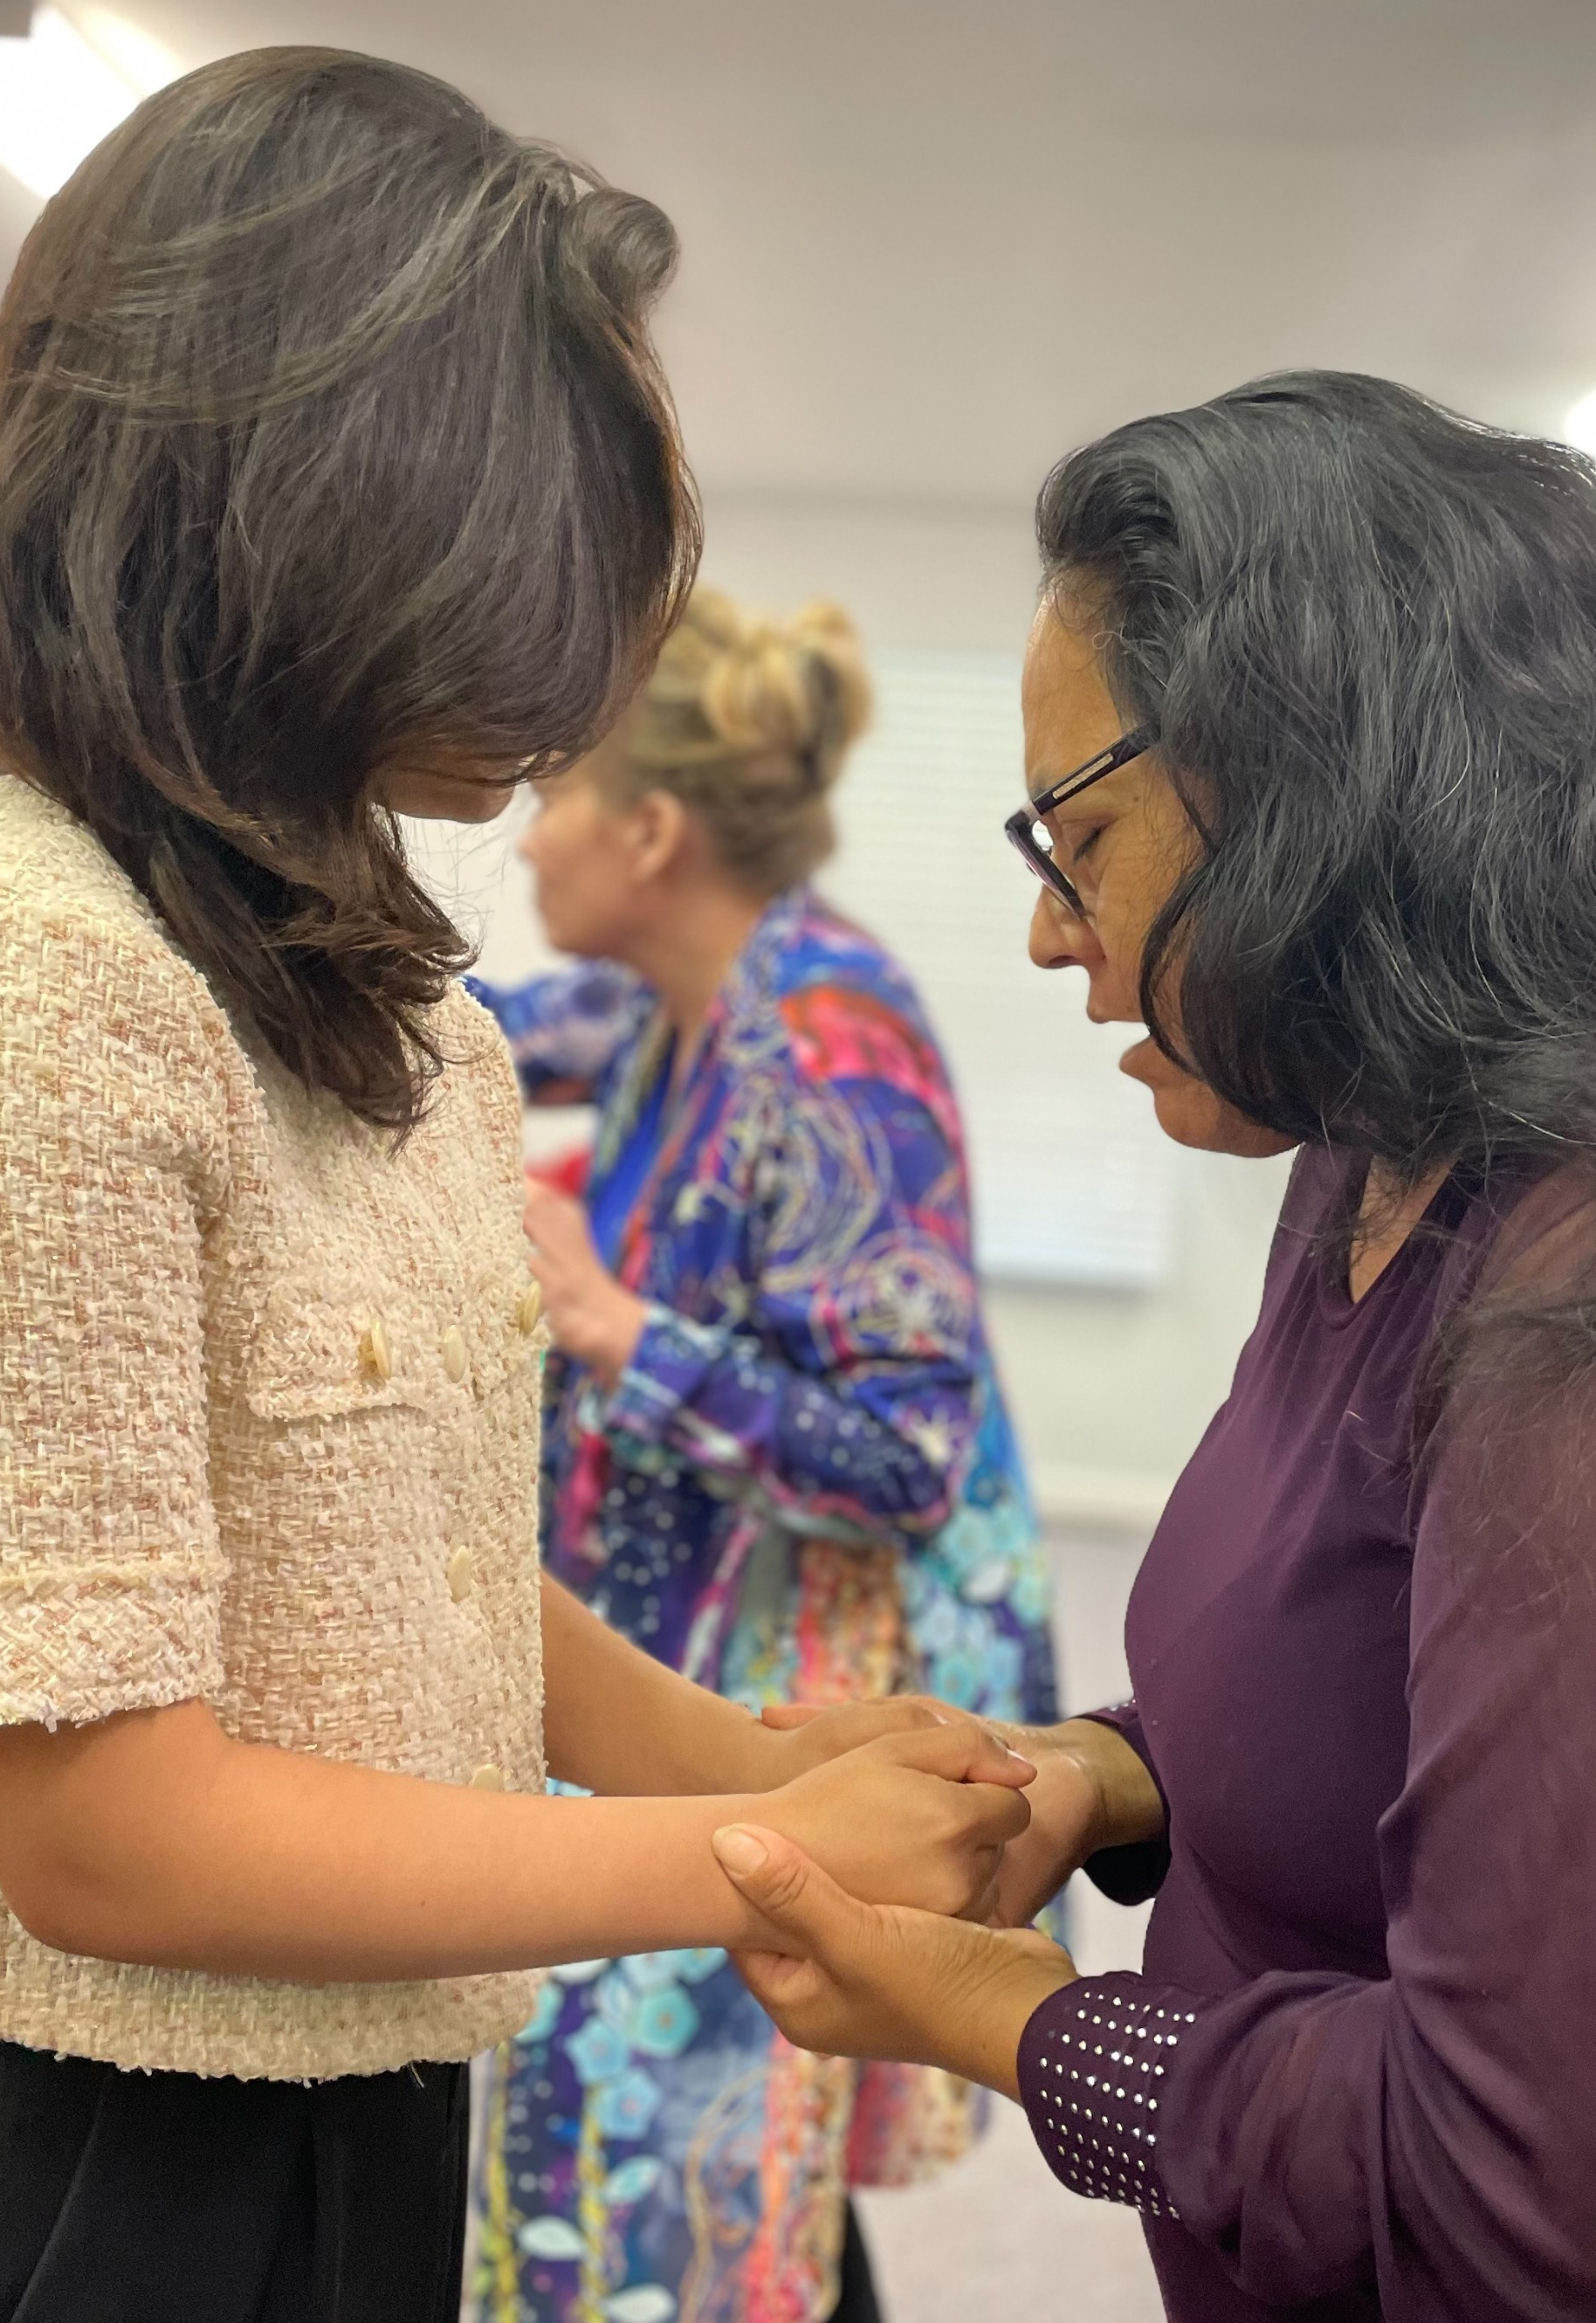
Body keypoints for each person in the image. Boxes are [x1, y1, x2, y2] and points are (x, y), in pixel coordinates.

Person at [0, 53, 1030, 2323]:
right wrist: (751, 1846)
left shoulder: (383, 1007)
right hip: (45, 2161)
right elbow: (105, 1834)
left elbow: (396, 1563)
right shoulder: (6, 969)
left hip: (349, 2087)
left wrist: (739, 1752)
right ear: (332, 499)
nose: (590, 623)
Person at [711, 372, 1596, 2322]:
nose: (1053, 933)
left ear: (1308, 791)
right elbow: (1398, 1678)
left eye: (1079, 836)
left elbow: (1551, 2210)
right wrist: (1096, 1776)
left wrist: (1018, 2021)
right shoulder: (1383, 1143)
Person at [467, 589, 1057, 2323]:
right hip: (697, 1635)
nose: (527, 835)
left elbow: (906, 1454)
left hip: (804, 1676)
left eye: (552, 793)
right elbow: (465, 1029)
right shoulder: (671, 996)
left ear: (649, 830)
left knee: (678, 2159)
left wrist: (611, 1325)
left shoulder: (829, 1047)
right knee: (699, 2165)